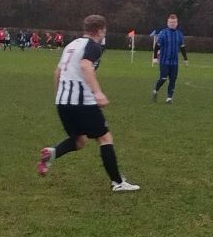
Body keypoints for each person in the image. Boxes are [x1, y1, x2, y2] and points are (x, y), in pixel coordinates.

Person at [36, 15, 140, 192]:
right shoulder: (93, 46)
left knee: (79, 141)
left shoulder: (71, 45)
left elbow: (57, 72)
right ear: (100, 30)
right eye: (104, 30)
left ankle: (52, 153)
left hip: (63, 101)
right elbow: (85, 65)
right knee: (105, 138)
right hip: (82, 101)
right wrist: (98, 93)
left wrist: (59, 96)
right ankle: (118, 182)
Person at [152, 14, 186, 104]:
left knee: (173, 79)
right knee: (163, 78)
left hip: (174, 62)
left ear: (177, 23)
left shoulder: (179, 34)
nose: (172, 24)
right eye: (171, 22)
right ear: (167, 23)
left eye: (174, 22)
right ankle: (155, 90)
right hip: (164, 60)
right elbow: (157, 46)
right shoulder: (163, 33)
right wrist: (155, 58)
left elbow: (182, 47)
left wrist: (185, 59)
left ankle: (169, 98)